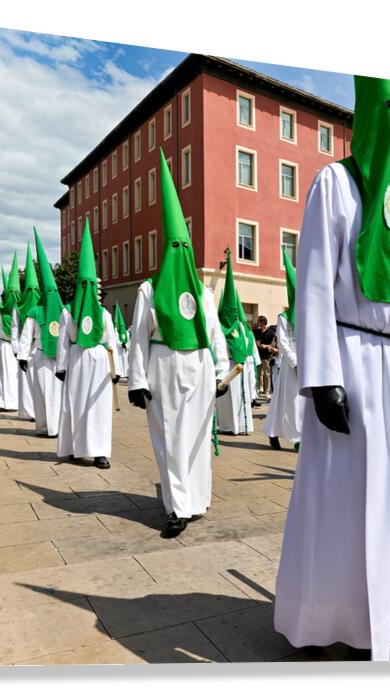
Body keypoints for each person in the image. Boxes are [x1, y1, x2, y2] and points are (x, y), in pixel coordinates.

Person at [274, 77, 390, 662]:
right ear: (368, 119)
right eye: (388, 109)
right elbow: (316, 280)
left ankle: (388, 623)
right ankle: (324, 623)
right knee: (340, 499)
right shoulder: (335, 184)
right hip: (351, 363)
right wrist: (321, 375)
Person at [128, 150, 230, 538]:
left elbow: (214, 334)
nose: (180, 255)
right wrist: (137, 380)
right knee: (170, 437)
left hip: (200, 366)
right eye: (174, 249)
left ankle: (196, 498)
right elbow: (138, 338)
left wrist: (222, 371)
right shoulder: (148, 290)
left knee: (196, 436)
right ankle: (177, 507)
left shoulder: (203, 292)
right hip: (163, 364)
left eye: (184, 248)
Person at [56, 219, 118, 469]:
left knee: (99, 406)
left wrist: (117, 370)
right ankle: (74, 447)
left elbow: (112, 343)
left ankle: (100, 451)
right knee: (76, 403)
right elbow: (63, 341)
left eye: (92, 285)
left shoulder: (104, 314)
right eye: (85, 285)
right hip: (77, 359)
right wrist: (61, 367)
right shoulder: (68, 312)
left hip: (100, 362)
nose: (89, 289)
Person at [18, 227, 66, 438]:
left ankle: (58, 427)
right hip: (40, 354)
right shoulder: (35, 311)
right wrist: (22, 355)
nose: (51, 294)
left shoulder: (64, 310)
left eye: (53, 291)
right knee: (42, 392)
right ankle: (45, 426)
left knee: (58, 393)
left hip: (60, 357)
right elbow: (27, 334)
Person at [263, 248, 304, 450]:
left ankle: (275, 432)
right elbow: (284, 341)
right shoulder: (283, 318)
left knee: (292, 402)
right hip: (291, 365)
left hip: (307, 362)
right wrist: (295, 362)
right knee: (292, 400)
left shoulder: (309, 315)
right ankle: (296, 437)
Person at [215, 250, 257, 435]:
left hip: (233, 368)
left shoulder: (229, 328)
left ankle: (234, 426)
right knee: (234, 399)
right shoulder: (241, 327)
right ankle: (236, 425)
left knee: (236, 399)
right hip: (235, 367)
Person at [0, 259, 21, 411]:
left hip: (19, 346)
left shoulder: (22, 309)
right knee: (3, 374)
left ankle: (16, 402)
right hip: (5, 345)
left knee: (16, 375)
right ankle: (2, 402)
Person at [13, 244, 41, 421]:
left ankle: (38, 411)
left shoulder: (42, 307)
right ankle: (28, 411)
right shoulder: (18, 308)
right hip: (25, 347)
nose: (32, 293)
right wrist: (18, 350)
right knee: (26, 381)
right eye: (29, 290)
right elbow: (16, 328)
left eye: (35, 290)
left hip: (38, 347)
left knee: (37, 383)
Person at [254, 315, 278, 398]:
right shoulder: (257, 331)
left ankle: (267, 391)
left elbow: (273, 345)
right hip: (258, 355)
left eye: (258, 321)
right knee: (257, 374)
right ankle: (256, 390)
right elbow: (254, 339)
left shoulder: (270, 333)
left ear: (263, 322)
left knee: (266, 374)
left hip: (266, 356)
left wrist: (266, 346)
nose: (257, 323)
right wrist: (257, 343)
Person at [113, 306, 130, 378]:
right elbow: (115, 342)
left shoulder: (126, 332)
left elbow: (128, 341)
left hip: (124, 351)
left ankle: (126, 373)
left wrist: (126, 345)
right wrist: (121, 345)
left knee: (125, 362)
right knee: (119, 362)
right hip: (118, 350)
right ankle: (121, 374)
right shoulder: (115, 333)